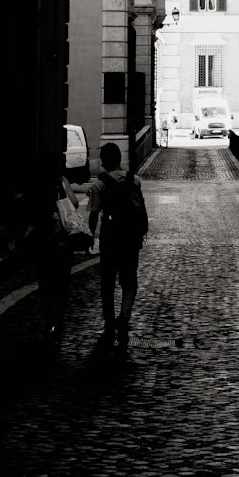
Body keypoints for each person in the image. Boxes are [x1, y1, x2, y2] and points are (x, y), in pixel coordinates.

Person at [86, 142, 148, 351]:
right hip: (131, 237)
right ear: (119, 158)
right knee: (129, 280)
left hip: (110, 238)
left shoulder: (99, 184)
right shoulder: (135, 180)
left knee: (107, 282)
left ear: (103, 161)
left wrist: (90, 239)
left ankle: (110, 323)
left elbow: (94, 214)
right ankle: (124, 315)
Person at [35, 165, 84, 347]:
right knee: (62, 285)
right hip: (61, 242)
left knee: (45, 284)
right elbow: (75, 203)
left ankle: (49, 320)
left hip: (42, 243)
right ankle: (59, 321)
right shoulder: (61, 181)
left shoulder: (36, 184)